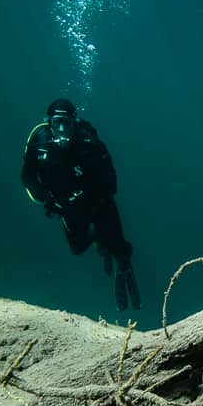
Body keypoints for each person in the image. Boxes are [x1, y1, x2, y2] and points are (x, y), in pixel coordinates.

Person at [21, 98, 141, 311]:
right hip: (66, 207)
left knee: (120, 248)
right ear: (48, 122)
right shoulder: (39, 141)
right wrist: (50, 201)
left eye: (66, 123)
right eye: (56, 122)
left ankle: (122, 265)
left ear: (74, 122)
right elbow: (28, 178)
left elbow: (111, 183)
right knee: (77, 248)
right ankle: (100, 242)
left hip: (99, 203)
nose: (61, 129)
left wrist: (87, 195)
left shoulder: (89, 143)